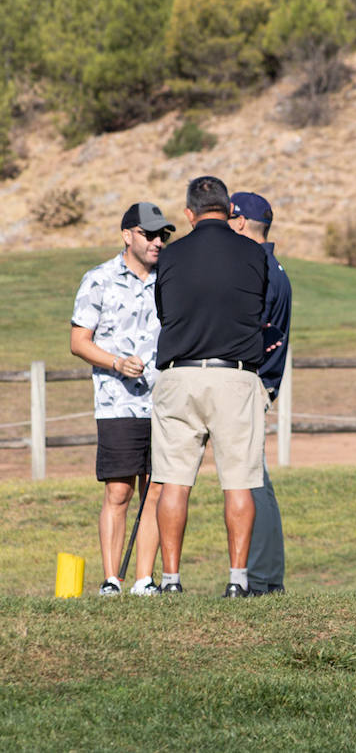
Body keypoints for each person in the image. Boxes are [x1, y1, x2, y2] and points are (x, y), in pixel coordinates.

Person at [151, 176, 269, 598]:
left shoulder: (170, 255)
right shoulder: (254, 254)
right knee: (238, 482)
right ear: (229, 210)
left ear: (189, 214)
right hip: (235, 376)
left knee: (174, 481)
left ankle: (171, 580)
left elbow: (164, 311)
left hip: (180, 374)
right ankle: (237, 580)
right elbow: (258, 304)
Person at [70, 203, 175, 597]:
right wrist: (115, 362)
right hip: (117, 403)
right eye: (149, 234)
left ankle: (144, 580)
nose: (157, 242)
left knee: (156, 489)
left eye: (162, 235)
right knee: (119, 491)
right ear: (127, 235)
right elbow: (78, 342)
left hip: (164, 403)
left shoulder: (170, 279)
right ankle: (111, 579)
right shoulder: (98, 280)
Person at [229, 191, 292, 596]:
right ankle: (264, 576)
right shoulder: (273, 266)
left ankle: (263, 578)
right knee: (254, 478)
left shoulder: (259, 269)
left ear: (237, 223)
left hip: (249, 381)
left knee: (251, 479)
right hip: (261, 381)